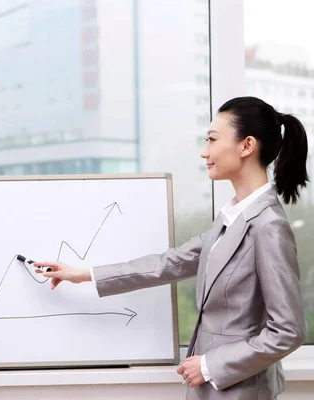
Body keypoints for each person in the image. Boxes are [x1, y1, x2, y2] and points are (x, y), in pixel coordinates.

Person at [34, 96, 308, 400]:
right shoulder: (232, 218)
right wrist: (83, 274)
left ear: (246, 146)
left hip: (239, 389)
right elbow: (168, 263)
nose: (205, 152)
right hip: (215, 387)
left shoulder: (268, 225)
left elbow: (289, 331)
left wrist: (209, 365)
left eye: (212, 140)